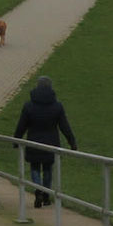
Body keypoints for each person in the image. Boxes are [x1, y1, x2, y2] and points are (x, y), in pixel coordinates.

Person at [12, 75, 77, 209]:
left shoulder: (29, 106)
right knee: (47, 169)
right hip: (51, 143)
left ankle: (38, 190)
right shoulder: (57, 106)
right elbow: (65, 126)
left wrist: (16, 140)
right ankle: (46, 195)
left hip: (33, 142)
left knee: (35, 168)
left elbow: (21, 126)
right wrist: (72, 142)